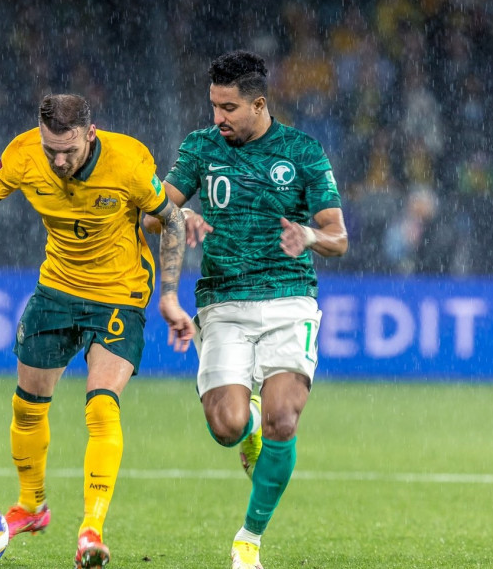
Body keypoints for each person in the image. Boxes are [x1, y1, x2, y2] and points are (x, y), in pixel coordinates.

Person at [0, 93, 194, 569]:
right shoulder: (22, 154)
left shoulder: (129, 161)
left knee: (101, 405)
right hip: (56, 289)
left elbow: (171, 219)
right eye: (50, 149)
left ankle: (91, 530)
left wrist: (171, 295)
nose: (58, 161)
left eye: (68, 151)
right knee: (27, 405)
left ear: (90, 135)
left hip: (120, 293)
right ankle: (31, 505)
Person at [144, 51, 347, 569]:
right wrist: (181, 216)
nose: (218, 118)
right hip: (223, 301)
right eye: (214, 106)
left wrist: (309, 236)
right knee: (227, 426)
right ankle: (247, 422)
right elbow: (154, 217)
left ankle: (248, 538)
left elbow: (338, 238)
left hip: (289, 299)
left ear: (259, 104)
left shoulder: (302, 151)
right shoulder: (200, 148)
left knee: (285, 418)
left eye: (229, 108)